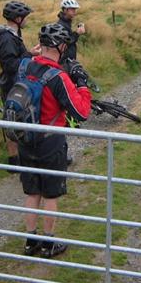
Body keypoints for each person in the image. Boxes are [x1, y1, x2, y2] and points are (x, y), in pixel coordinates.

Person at [20, 23, 91, 258]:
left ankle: (31, 242)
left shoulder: (25, 66)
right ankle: (49, 244)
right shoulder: (58, 77)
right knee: (51, 195)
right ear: (61, 46)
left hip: (25, 137)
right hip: (50, 142)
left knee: (32, 193)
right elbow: (81, 112)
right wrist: (82, 84)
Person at [0, 1, 40, 169]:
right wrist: (30, 56)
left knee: (14, 118)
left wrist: (29, 54)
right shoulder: (6, 38)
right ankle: (15, 160)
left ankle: (17, 158)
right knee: (13, 118)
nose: (27, 20)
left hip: (14, 82)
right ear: (18, 18)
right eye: (25, 17)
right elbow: (10, 65)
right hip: (12, 84)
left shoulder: (13, 34)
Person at [56, 0, 86, 65]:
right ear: (65, 10)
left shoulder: (66, 22)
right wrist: (77, 33)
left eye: (75, 9)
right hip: (65, 62)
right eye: (72, 9)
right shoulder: (61, 25)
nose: (74, 12)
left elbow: (68, 37)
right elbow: (66, 42)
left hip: (69, 60)